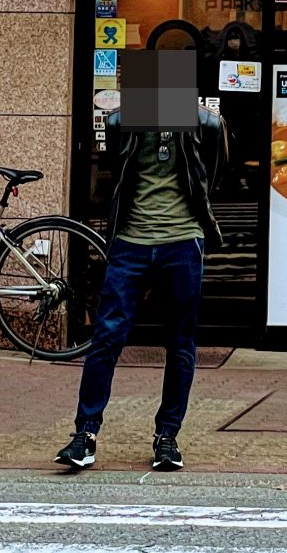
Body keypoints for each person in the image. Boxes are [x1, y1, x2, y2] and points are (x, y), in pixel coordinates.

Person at [55, 96, 226, 473]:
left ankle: (167, 436)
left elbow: (213, 171)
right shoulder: (122, 123)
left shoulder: (205, 123)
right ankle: (85, 433)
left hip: (182, 241)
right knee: (107, 336)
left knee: (180, 341)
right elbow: (117, 170)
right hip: (131, 240)